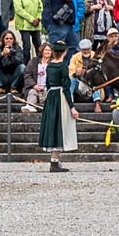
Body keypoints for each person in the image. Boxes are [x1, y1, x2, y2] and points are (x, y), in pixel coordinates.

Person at [40, 43, 77, 173]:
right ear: (65, 52)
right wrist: (72, 107)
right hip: (60, 97)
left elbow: (48, 84)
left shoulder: (49, 66)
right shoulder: (62, 67)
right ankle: (54, 163)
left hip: (51, 97)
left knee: (54, 127)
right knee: (59, 128)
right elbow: (66, 88)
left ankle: (55, 161)